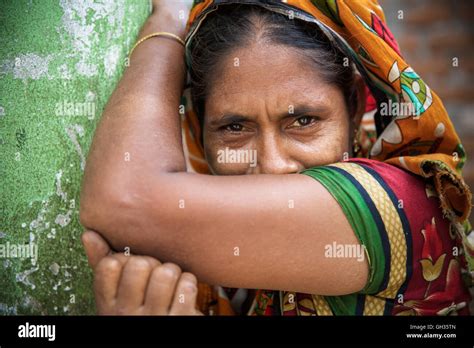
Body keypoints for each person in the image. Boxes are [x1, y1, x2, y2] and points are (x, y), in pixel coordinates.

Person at [80, 0, 473, 315]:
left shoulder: (400, 206)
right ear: (198, 126)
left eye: (303, 120)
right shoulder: (222, 272)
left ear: (354, 107)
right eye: (235, 128)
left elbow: (123, 199)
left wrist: (166, 22)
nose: (272, 165)